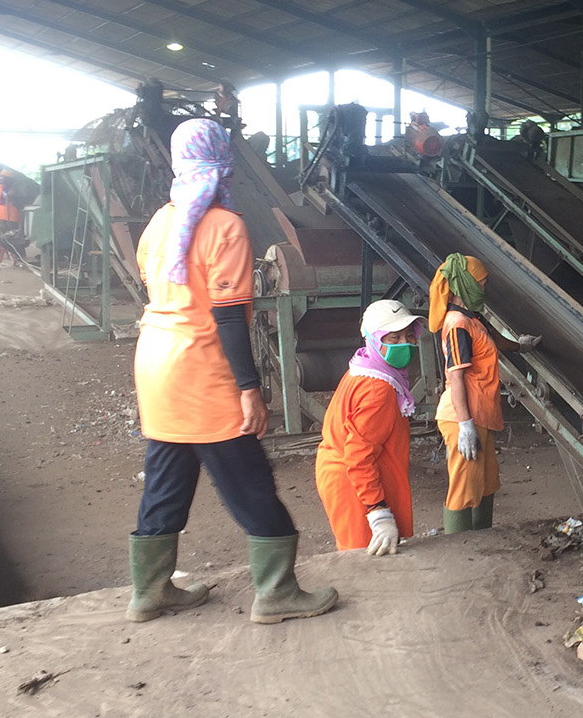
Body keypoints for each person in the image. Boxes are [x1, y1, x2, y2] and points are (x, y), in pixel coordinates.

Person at [128, 118, 337, 625]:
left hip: (155, 364)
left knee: (167, 476)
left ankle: (150, 592)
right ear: (224, 162)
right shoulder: (224, 226)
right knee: (248, 480)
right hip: (202, 369)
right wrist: (250, 388)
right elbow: (226, 317)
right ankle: (276, 592)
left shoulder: (160, 222)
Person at [428, 253, 540, 534]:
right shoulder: (457, 325)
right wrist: (465, 424)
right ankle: (460, 550)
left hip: (481, 413)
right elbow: (456, 377)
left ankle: (483, 541)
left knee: (486, 482)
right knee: (464, 487)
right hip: (463, 415)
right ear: (465, 284)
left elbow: (494, 341)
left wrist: (520, 347)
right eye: (481, 283)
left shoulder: (473, 318)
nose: (484, 290)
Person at [315, 299, 422, 555]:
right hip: (353, 486)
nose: (404, 344)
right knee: (362, 561)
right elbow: (359, 455)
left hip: (342, 473)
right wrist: (378, 512)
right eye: (393, 338)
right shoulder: (380, 389)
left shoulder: (364, 368)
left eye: (409, 335)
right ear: (373, 340)